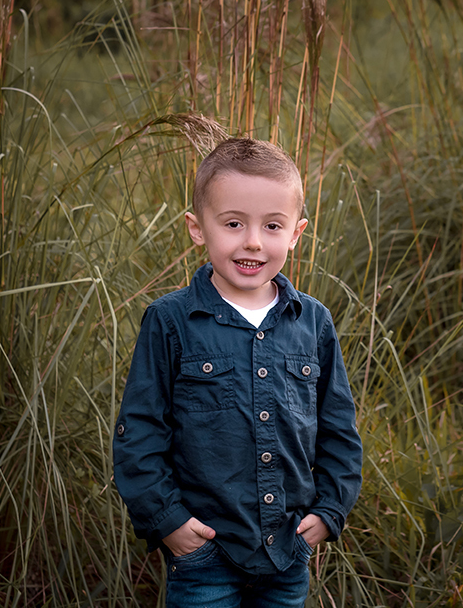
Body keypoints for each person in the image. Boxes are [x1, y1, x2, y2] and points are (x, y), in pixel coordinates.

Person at [113, 137, 363, 606]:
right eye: (232, 223)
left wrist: (330, 509)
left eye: (272, 225)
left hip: (288, 549)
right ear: (196, 227)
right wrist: (168, 521)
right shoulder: (171, 322)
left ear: (296, 233)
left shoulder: (312, 323)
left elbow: (339, 430)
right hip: (204, 550)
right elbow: (140, 431)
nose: (252, 241)